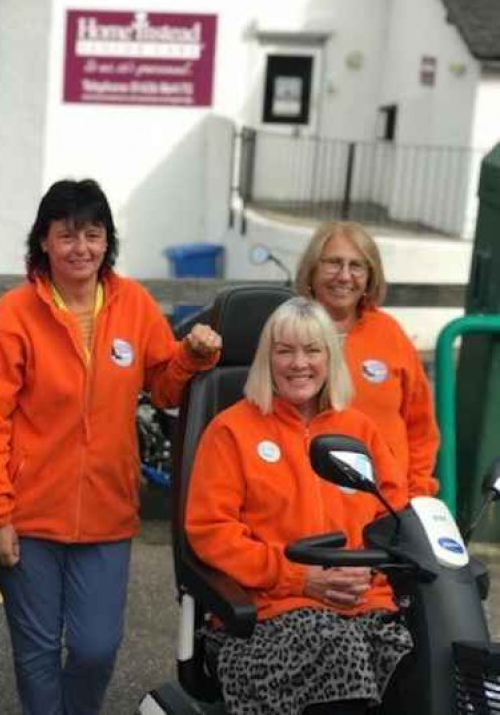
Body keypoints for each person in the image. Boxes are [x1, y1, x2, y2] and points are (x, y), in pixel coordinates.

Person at [0, 178, 222, 715]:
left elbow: (163, 386)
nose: (81, 248)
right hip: (28, 515)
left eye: (93, 234)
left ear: (108, 241)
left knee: (95, 648)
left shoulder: (133, 304)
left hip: (107, 511)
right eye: (66, 235)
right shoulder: (15, 315)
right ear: (43, 242)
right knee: (36, 651)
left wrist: (191, 358)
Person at [185, 297, 412, 715]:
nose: (298, 363)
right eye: (284, 350)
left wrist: (370, 570)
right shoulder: (231, 431)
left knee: (424, 659)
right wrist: (298, 578)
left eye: (312, 350)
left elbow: (394, 516)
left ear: (331, 358)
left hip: (364, 604)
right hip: (269, 613)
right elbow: (211, 533)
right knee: (337, 649)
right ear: (266, 359)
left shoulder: (359, 429)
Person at [295, 221, 439, 499]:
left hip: (388, 500)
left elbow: (420, 426)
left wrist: (417, 490)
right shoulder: (290, 330)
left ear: (370, 277)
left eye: (356, 266)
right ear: (312, 270)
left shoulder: (390, 334)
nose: (345, 276)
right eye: (333, 263)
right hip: (312, 500)